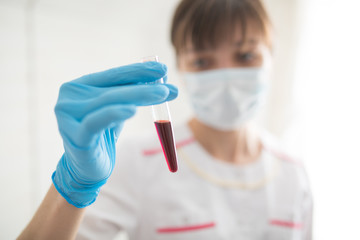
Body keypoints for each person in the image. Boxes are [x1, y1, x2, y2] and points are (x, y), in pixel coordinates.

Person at [18, 0, 312, 239]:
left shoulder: (293, 172)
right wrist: (72, 187)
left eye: (246, 55)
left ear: (272, 57)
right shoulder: (137, 161)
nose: (225, 75)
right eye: (202, 61)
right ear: (180, 68)